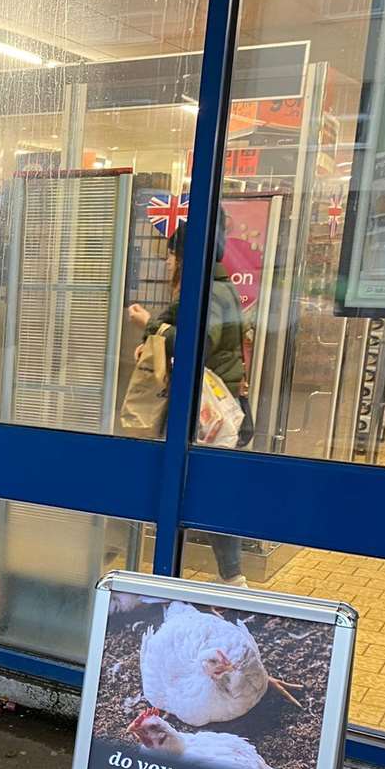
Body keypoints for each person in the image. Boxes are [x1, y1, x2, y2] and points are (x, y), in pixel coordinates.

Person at [128, 216, 251, 586]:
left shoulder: (208, 290)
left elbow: (198, 342)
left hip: (208, 407)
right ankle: (211, 573)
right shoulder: (203, 285)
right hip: (207, 402)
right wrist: (154, 338)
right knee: (196, 485)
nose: (166, 263)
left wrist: (153, 326)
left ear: (183, 255)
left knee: (203, 487)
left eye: (169, 255)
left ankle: (231, 577)